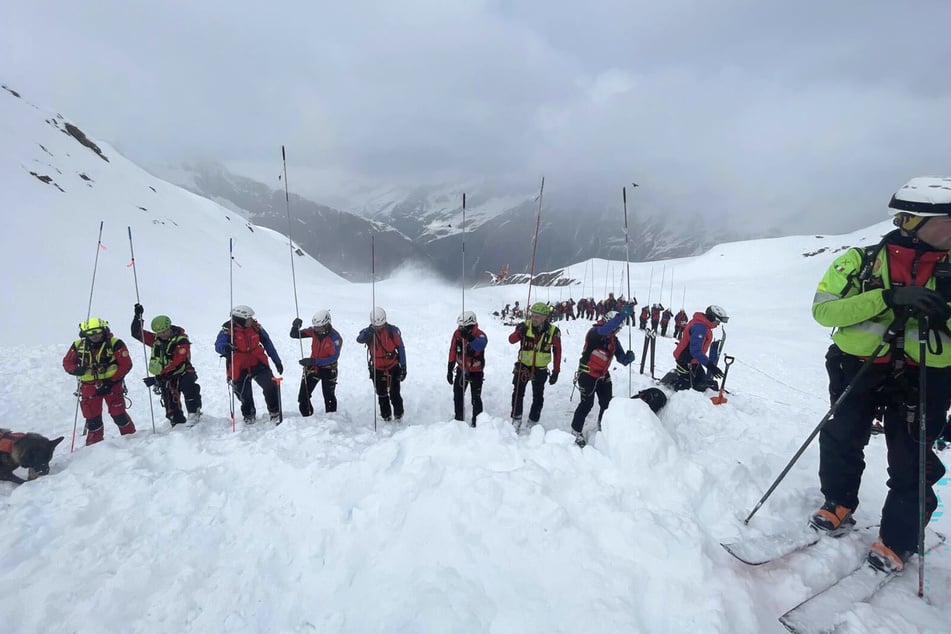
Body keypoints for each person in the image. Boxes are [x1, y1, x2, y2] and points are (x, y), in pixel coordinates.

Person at [809, 176, 951, 574]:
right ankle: (838, 502)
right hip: (859, 367)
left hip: (925, 376)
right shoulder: (859, 261)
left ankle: (898, 539)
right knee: (842, 435)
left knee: (912, 458)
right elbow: (825, 311)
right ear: (914, 221)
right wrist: (886, 298)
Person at [569, 306, 636, 447]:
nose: (618, 330)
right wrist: (623, 315)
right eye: (617, 327)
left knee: (607, 403)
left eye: (619, 328)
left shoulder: (613, 340)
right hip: (587, 374)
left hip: (603, 376)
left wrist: (628, 358)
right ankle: (576, 431)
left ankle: (603, 426)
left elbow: (621, 359)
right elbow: (605, 330)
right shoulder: (595, 333)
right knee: (587, 404)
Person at [62, 318, 135, 445]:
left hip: (112, 385)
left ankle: (132, 439)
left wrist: (111, 382)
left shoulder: (115, 343)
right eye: (91, 333)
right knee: (92, 418)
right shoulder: (78, 345)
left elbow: (126, 364)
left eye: (97, 332)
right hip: (89, 387)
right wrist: (76, 370)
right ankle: (94, 445)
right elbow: (67, 362)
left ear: (104, 331)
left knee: (119, 414)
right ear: (85, 334)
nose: (95, 336)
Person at [131, 304, 202, 427]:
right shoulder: (155, 340)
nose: (163, 334)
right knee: (170, 405)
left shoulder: (181, 340)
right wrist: (138, 316)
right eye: (159, 332)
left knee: (189, 386)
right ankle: (177, 422)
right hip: (165, 377)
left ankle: (194, 412)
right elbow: (136, 333)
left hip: (182, 372)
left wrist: (158, 378)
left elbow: (178, 362)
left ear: (170, 327)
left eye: (165, 331)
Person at [215, 305, 283, 423]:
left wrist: (277, 361)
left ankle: (275, 411)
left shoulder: (256, 327)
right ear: (241, 319)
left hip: (257, 361)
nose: (251, 320)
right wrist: (226, 348)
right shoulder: (227, 330)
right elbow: (218, 345)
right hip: (238, 365)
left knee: (270, 385)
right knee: (244, 393)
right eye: (248, 318)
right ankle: (249, 414)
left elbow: (268, 343)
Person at [508, 301, 562, 429]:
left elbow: (558, 351)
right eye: (532, 315)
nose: (534, 319)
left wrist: (556, 371)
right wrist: (519, 332)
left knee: (538, 395)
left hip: (541, 369)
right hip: (523, 366)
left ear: (545, 317)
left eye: (537, 316)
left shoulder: (553, 331)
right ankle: (516, 417)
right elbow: (511, 340)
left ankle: (533, 420)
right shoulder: (524, 326)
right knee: (517, 393)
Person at [357, 307, 406, 422]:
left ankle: (399, 415)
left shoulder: (392, 331)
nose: (379, 328)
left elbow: (401, 348)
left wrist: (403, 367)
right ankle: (386, 416)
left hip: (393, 366)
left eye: (381, 325)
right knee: (382, 394)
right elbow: (359, 339)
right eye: (376, 326)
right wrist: (368, 333)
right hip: (377, 368)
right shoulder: (368, 332)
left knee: (395, 393)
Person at [291, 309, 343, 416]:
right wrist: (295, 326)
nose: (317, 329)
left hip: (328, 370)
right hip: (313, 368)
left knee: (328, 396)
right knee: (303, 396)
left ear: (327, 324)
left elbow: (333, 358)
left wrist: (314, 361)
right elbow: (295, 335)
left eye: (319, 327)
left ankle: (331, 419)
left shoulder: (335, 338)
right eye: (315, 327)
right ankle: (307, 417)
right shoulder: (313, 331)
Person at [667, 305, 729, 391]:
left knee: (701, 382)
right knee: (687, 388)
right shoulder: (700, 327)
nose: (718, 324)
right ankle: (675, 394)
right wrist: (711, 366)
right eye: (718, 321)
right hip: (685, 360)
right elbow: (695, 351)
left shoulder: (702, 324)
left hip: (694, 360)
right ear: (711, 317)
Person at [447, 311, 488, 427]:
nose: (460, 328)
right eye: (459, 326)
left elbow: (480, 345)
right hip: (461, 370)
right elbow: (453, 350)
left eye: (462, 326)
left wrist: (469, 338)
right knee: (458, 395)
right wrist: (449, 368)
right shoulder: (457, 334)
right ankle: (458, 419)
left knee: (476, 397)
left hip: (476, 372)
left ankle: (477, 421)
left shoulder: (481, 335)